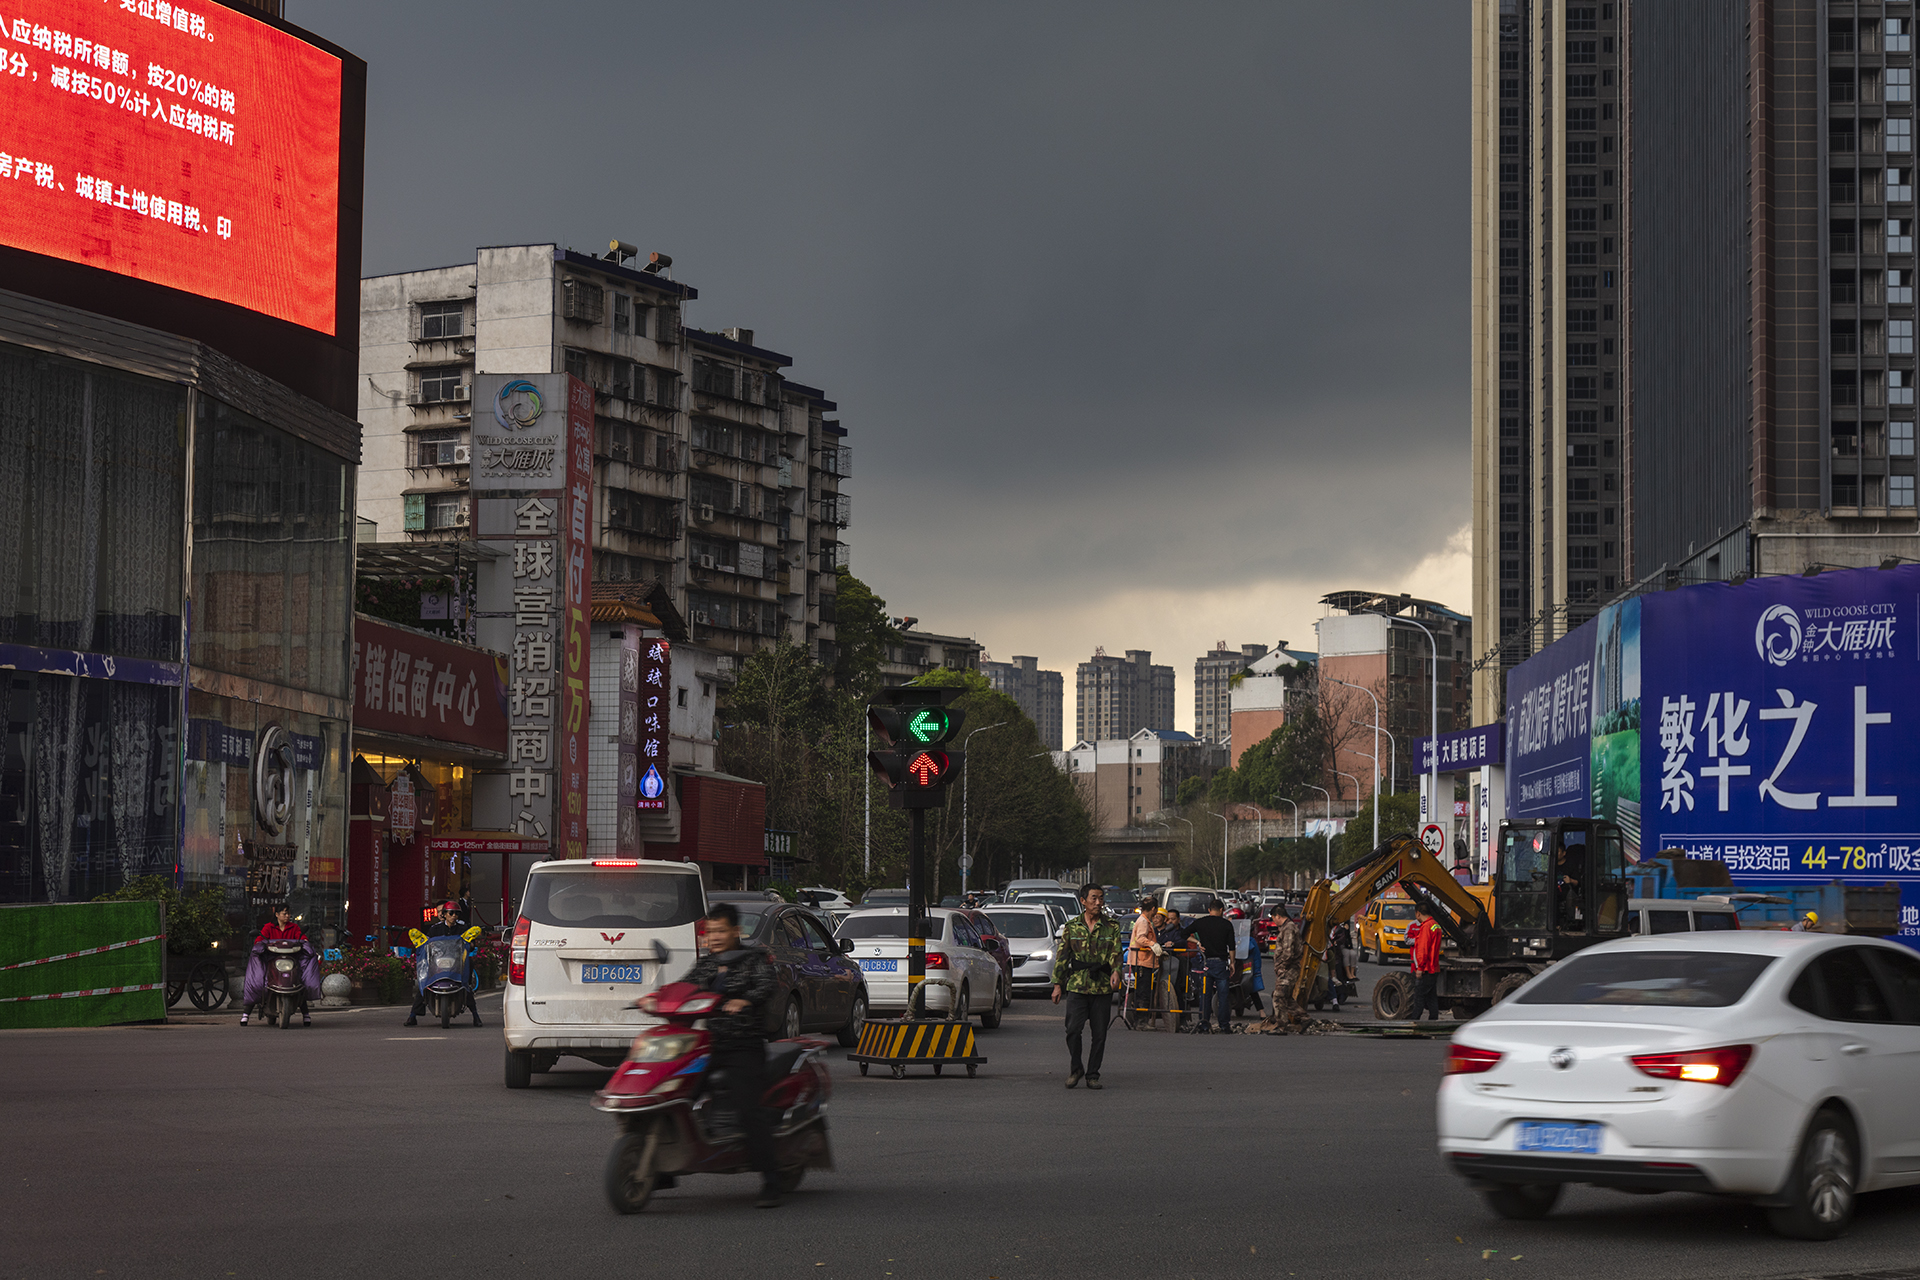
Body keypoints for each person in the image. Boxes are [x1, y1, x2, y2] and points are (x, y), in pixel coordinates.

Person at [639, 902, 783, 1206]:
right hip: (708, 1045)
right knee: (675, 1095)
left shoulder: (753, 959)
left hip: (744, 1046)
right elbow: (683, 988)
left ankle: (772, 1181)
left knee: (748, 1109)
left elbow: (768, 985)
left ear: (735, 931)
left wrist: (745, 1000)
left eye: (720, 931)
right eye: (709, 932)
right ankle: (663, 1167)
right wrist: (654, 998)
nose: (714, 937)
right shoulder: (706, 964)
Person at [1052, 885, 1125, 1089]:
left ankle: (1093, 1074)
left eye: (1101, 898)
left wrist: (1116, 972)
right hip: (1077, 985)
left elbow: (1116, 953)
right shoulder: (1072, 926)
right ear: (1083, 901)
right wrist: (1057, 984)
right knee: (1072, 1030)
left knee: (1099, 1034)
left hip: (1101, 987)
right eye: (1093, 898)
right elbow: (1062, 957)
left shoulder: (1111, 926)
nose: (1098, 902)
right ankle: (1076, 1068)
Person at [405, 901, 483, 1027]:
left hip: (457, 964)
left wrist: (471, 944)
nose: (454, 916)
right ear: (444, 914)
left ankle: (476, 1016)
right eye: (451, 913)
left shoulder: (463, 929)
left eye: (456, 914)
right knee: (424, 983)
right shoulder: (435, 929)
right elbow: (428, 945)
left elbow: (471, 943)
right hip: (438, 964)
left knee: (465, 985)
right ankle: (412, 1016)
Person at [241, 903, 312, 1027]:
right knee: (258, 981)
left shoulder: (294, 927)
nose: (287, 916)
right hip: (271, 960)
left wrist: (305, 941)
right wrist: (259, 943)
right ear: (277, 915)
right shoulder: (269, 927)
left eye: (288, 913)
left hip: (290, 960)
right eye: (284, 913)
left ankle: (306, 1014)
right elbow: (259, 939)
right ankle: (246, 1014)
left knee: (300, 981)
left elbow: (301, 938)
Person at [1180, 899, 1236, 1033]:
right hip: (1221, 963)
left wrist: (1197, 942)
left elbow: (1183, 934)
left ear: (1209, 910)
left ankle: (1204, 1023)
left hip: (1206, 962)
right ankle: (1224, 1025)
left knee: (1205, 995)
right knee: (1222, 996)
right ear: (1222, 910)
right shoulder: (1226, 925)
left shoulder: (1201, 922)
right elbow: (1232, 947)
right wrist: (1232, 962)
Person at [1126, 893, 1165, 1023]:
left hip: (1143, 960)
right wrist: (1153, 944)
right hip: (1141, 961)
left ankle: (1141, 1020)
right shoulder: (1143, 921)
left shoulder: (1144, 920)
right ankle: (1141, 1021)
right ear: (1154, 908)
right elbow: (1141, 938)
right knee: (1143, 993)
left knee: (1143, 991)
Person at [1406, 901, 1444, 1021]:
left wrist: (1420, 968)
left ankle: (1414, 1022)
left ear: (1418, 913)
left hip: (1426, 968)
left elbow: (1422, 949)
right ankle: (1433, 1022)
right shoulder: (1435, 925)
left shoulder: (1426, 927)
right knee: (1431, 997)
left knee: (1419, 997)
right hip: (1434, 967)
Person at [1267, 907, 1305, 1025]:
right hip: (1288, 968)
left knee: (1278, 996)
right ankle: (1305, 1019)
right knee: (1286, 998)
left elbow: (1288, 952)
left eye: (1274, 919)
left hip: (1289, 968)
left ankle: (1281, 1024)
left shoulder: (1288, 929)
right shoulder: (1287, 928)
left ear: (1278, 916)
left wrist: (1282, 967)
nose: (1274, 922)